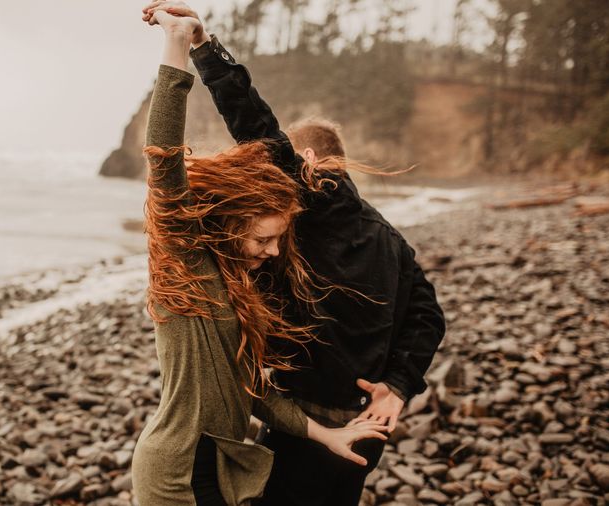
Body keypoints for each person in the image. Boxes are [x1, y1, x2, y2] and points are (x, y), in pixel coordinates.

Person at [140, 3, 446, 504]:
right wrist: (397, 385)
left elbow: (254, 126)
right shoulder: (391, 238)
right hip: (359, 420)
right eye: (265, 239)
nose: (275, 249)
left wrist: (201, 48)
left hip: (307, 416)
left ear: (304, 163)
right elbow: (428, 316)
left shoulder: (312, 199)